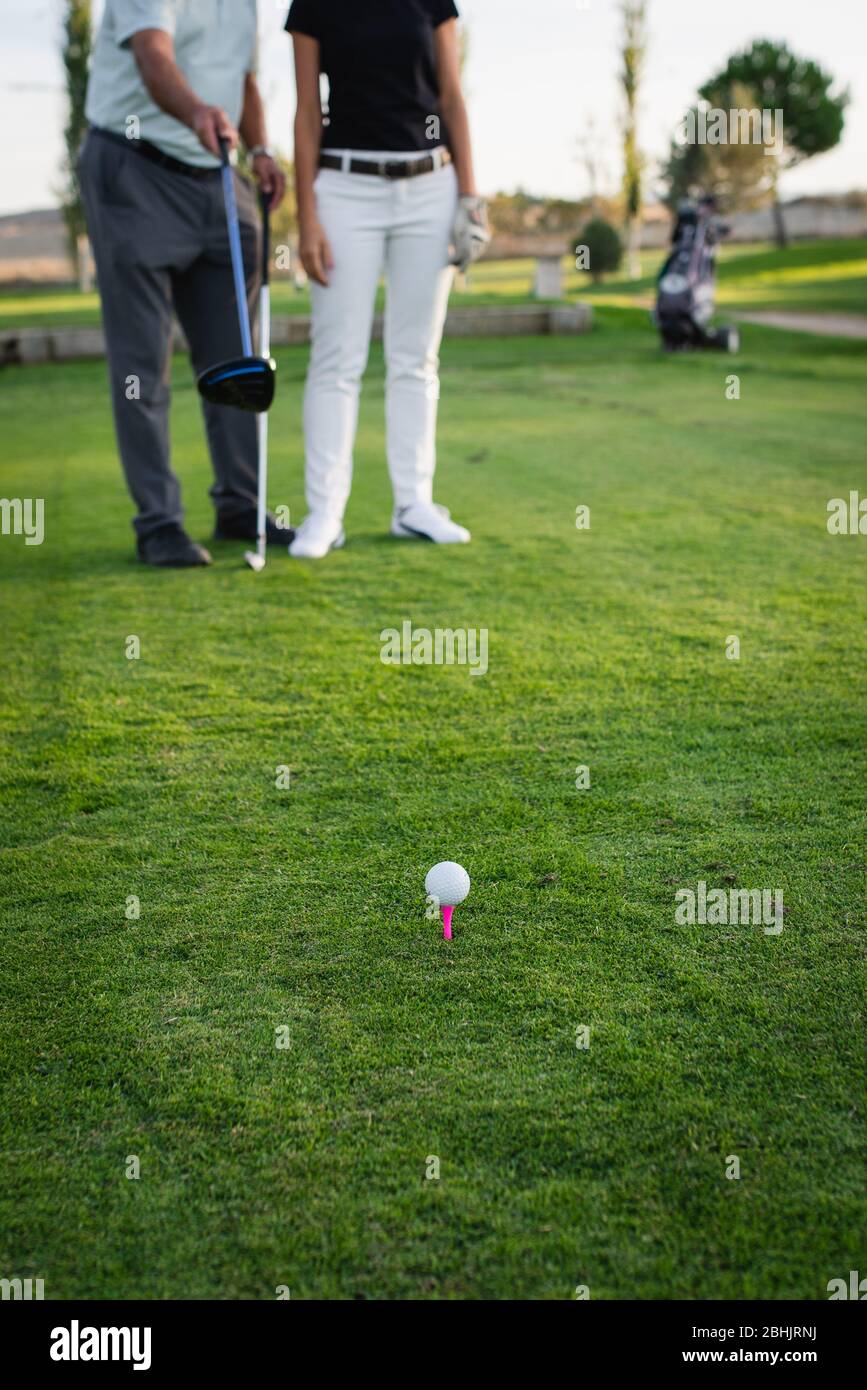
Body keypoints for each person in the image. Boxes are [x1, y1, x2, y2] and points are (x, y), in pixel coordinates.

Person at [79, 0, 289, 567]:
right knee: (141, 363)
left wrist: (262, 148)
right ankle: (159, 524)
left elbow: (242, 79)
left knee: (238, 356)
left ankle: (240, 504)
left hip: (216, 175)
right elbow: (154, 55)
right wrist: (197, 111)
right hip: (133, 167)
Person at [286, 0, 489, 559]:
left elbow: (450, 95)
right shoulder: (311, 4)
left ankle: (413, 506)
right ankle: (324, 513)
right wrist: (307, 218)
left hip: (430, 186)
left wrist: (470, 198)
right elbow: (307, 113)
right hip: (345, 189)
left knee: (416, 357)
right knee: (336, 359)